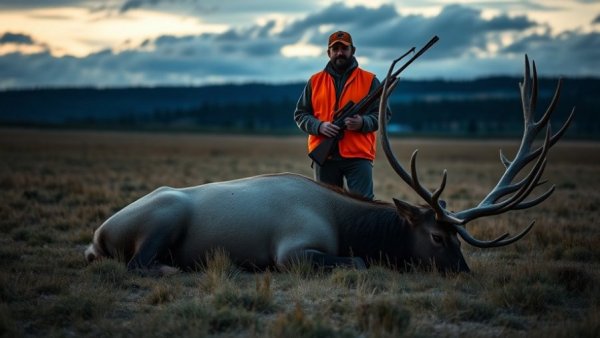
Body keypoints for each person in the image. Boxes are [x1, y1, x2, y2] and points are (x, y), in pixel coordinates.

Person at [294, 30, 388, 200]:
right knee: (327, 207)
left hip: (358, 156)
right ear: (328, 52)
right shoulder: (315, 81)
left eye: (344, 48)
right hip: (325, 157)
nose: (340, 53)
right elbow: (300, 114)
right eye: (335, 48)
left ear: (353, 50)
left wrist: (363, 123)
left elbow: (383, 114)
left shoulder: (369, 80)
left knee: (364, 208)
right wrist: (319, 126)